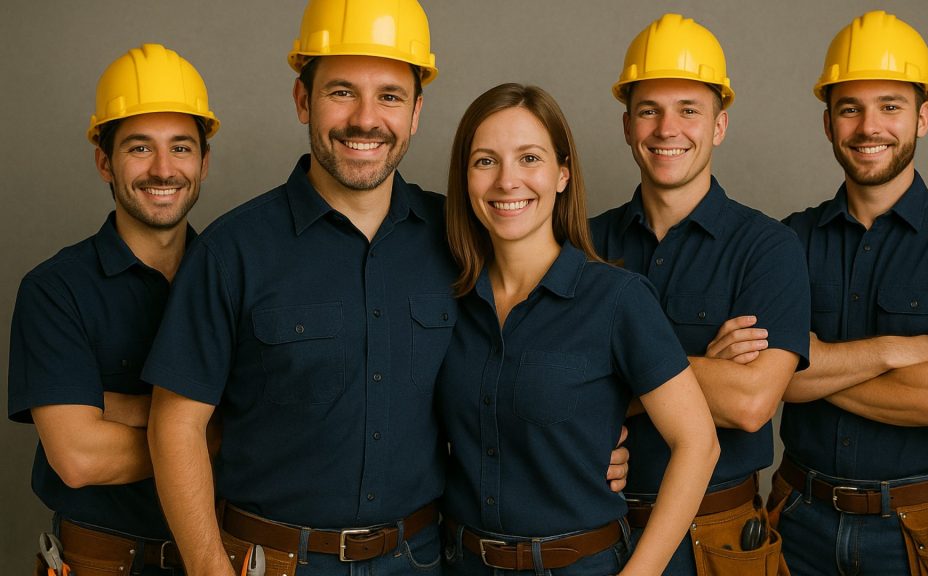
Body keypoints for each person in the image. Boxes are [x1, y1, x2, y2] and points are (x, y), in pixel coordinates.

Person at [142, 3, 627, 576]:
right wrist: (207, 567)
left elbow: (557, 341)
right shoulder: (232, 251)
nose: (366, 119)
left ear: (416, 112)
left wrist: (596, 433)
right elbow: (175, 425)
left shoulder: (462, 236)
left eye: (390, 96)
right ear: (302, 100)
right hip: (274, 562)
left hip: (420, 559)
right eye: (341, 92)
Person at [768, 10, 928, 574]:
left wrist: (807, 368)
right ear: (828, 123)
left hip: (927, 529)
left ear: (922, 118)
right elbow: (760, 380)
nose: (868, 127)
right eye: (849, 108)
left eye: (890, 106)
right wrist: (889, 351)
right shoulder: (785, 241)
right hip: (799, 522)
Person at [439, 82, 718, 576]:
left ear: (562, 174)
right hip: (461, 562)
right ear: (465, 178)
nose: (507, 181)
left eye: (529, 159)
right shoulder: (447, 300)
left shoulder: (616, 298)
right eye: (485, 161)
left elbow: (698, 443)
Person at [589, 14, 810, 574]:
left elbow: (750, 403)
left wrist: (615, 376)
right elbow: (543, 383)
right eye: (649, 110)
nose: (668, 129)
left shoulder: (768, 248)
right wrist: (703, 369)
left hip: (719, 538)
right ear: (627, 126)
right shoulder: (582, 244)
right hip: (592, 527)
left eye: (689, 110)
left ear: (719, 126)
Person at [7, 43, 217, 576]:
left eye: (181, 148)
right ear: (105, 161)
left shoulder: (233, 276)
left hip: (220, 556)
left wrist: (113, 407)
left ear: (204, 162)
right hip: (100, 563)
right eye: (140, 148)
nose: (163, 169)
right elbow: (79, 459)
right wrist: (206, 431)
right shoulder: (55, 290)